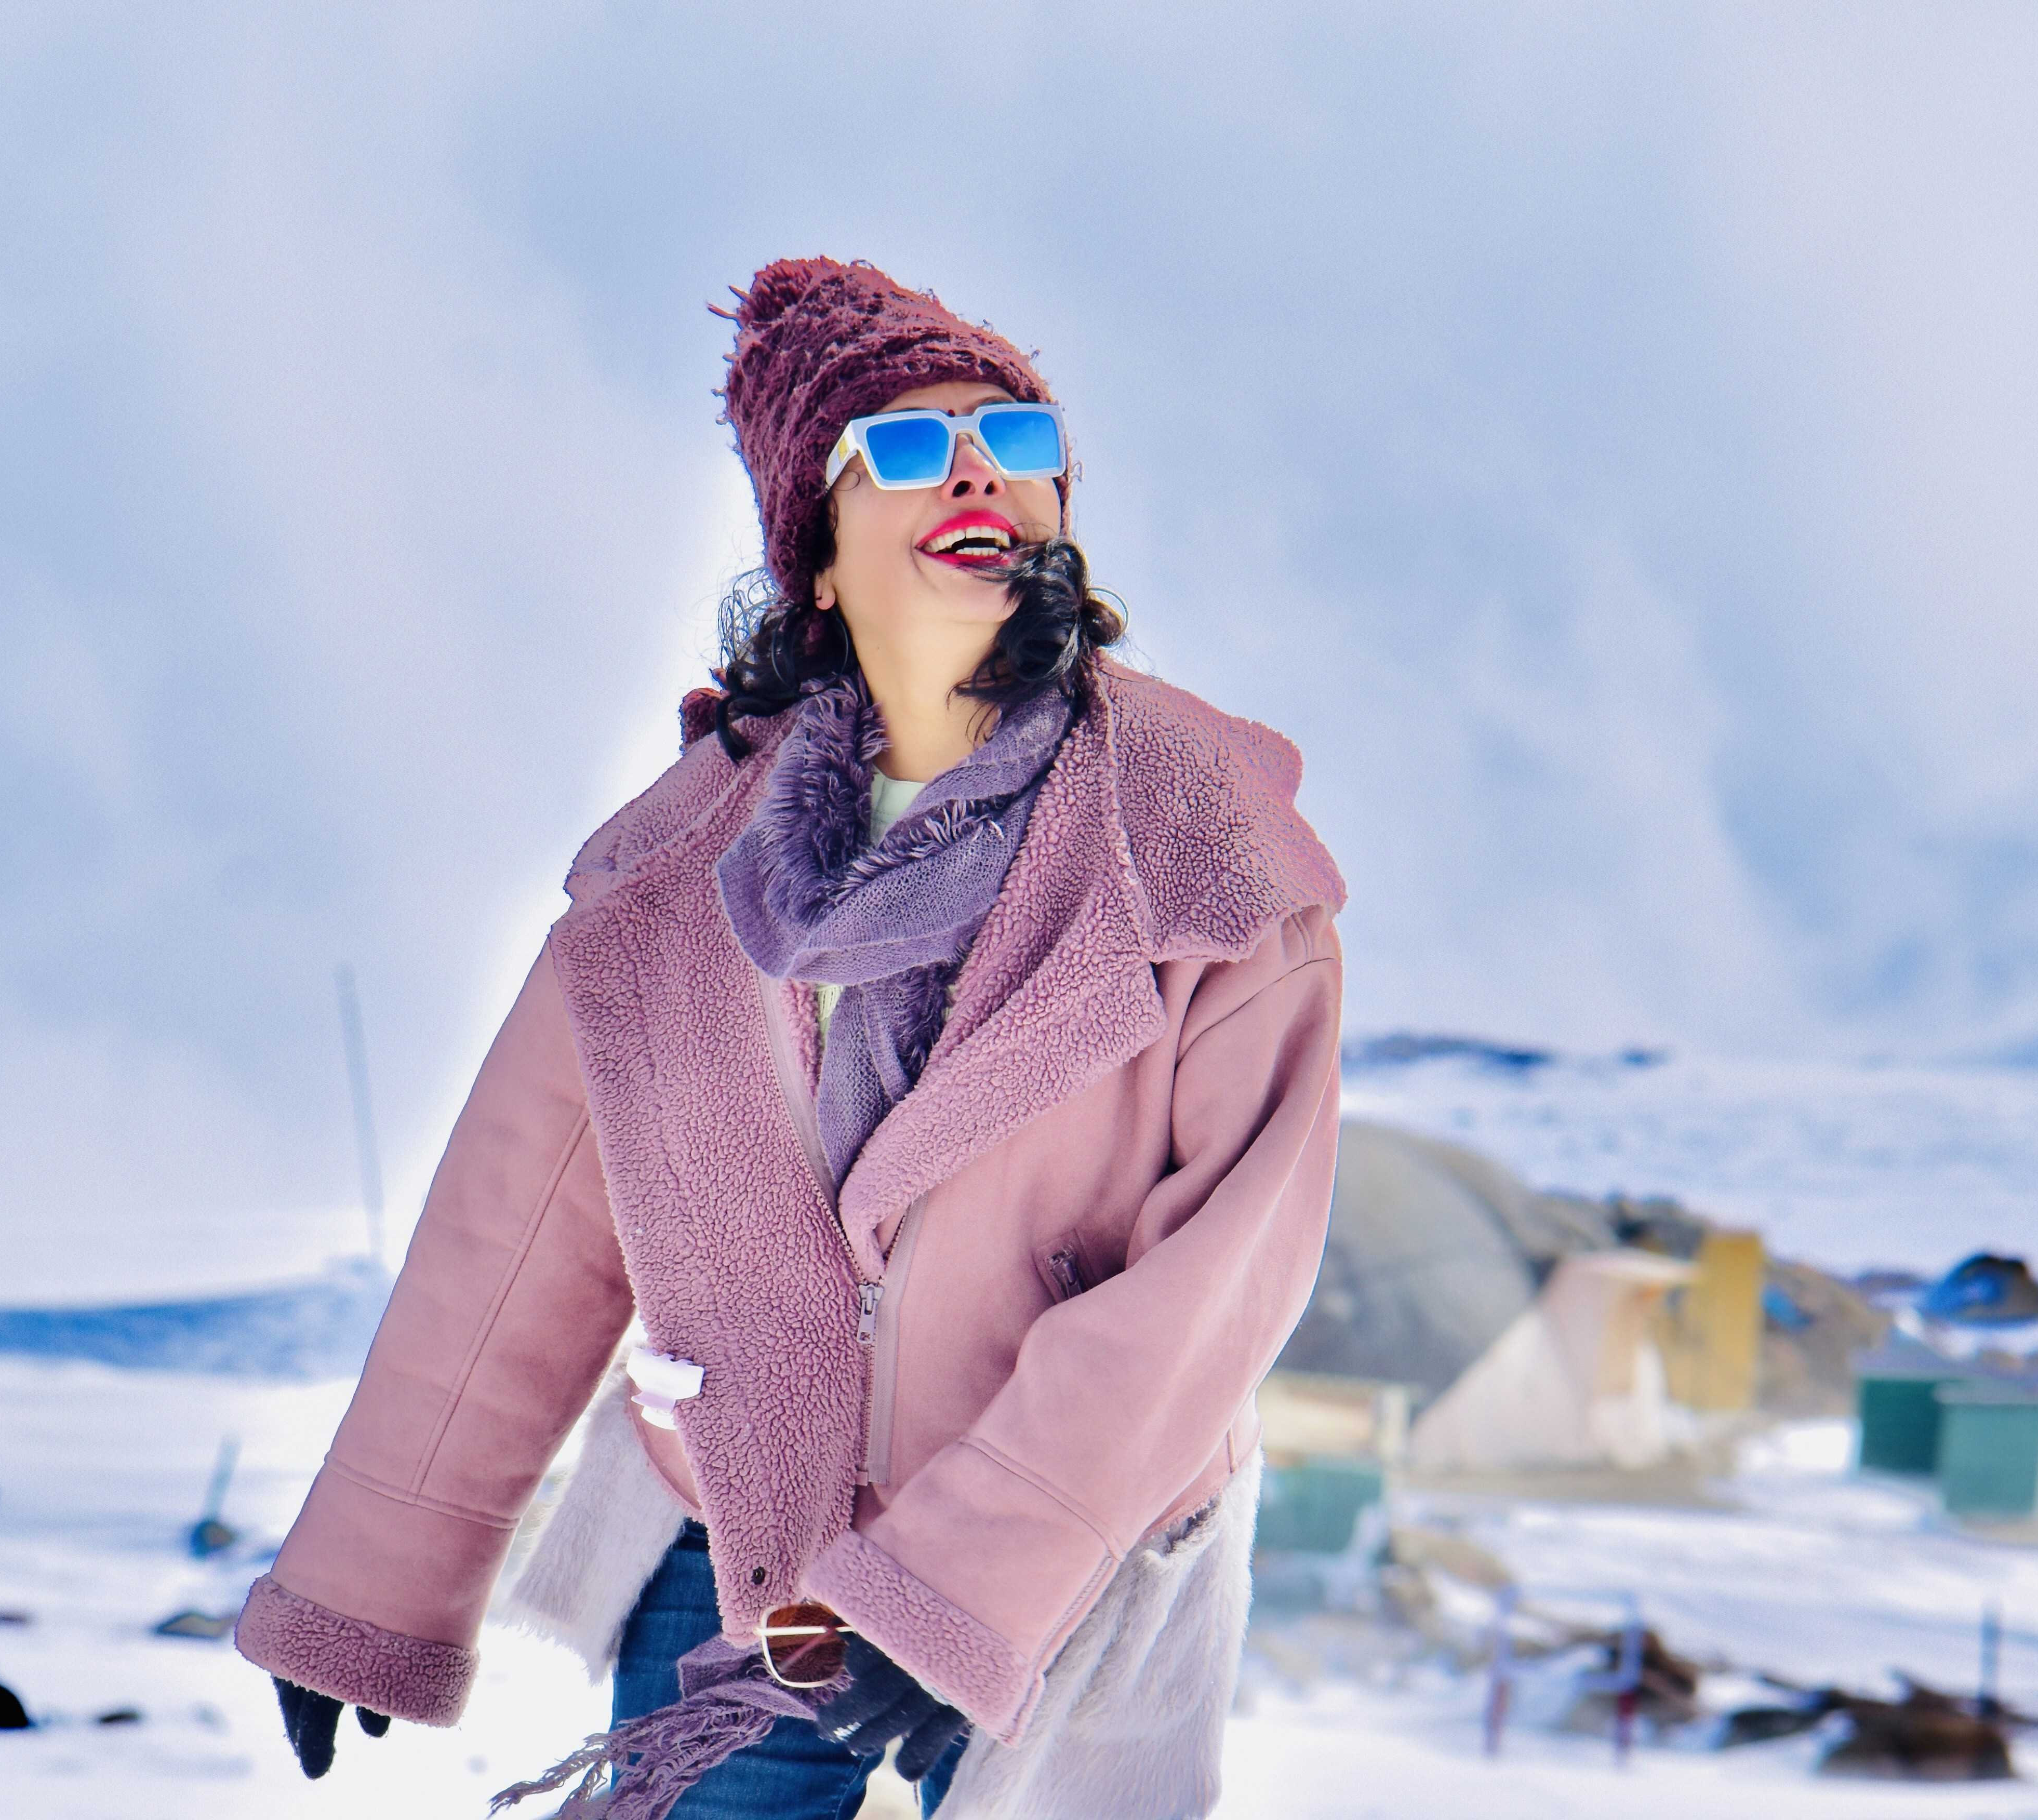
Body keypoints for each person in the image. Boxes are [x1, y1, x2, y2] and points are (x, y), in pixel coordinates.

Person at [234, 258, 1347, 1820]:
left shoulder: (1202, 845)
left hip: (1070, 1551)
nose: (975, 469)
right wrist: (371, 1583)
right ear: (812, 557)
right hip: (736, 1537)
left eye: (1016, 440)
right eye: (900, 446)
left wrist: (957, 1583)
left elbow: (1214, 1284)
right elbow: (517, 1243)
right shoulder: (675, 881)